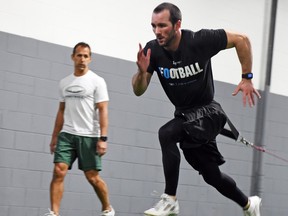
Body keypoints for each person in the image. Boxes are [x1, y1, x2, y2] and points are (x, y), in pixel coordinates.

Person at [132, 2, 262, 216]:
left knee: (166, 133)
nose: (157, 32)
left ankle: (170, 199)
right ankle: (249, 204)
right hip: (185, 116)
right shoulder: (152, 51)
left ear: (177, 24)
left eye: (162, 26)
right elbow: (139, 90)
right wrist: (141, 72)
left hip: (207, 113)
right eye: (153, 26)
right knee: (212, 175)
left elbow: (242, 40)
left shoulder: (199, 40)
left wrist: (246, 77)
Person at [45, 42, 115, 216]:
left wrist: (103, 138)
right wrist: (54, 136)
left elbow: (103, 109)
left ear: (90, 59)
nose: (82, 59)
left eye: (85, 56)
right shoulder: (64, 82)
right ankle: (54, 213)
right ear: (73, 57)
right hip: (67, 135)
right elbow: (61, 111)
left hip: (89, 136)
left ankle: (107, 208)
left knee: (92, 177)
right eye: (79, 55)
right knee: (58, 171)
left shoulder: (97, 81)